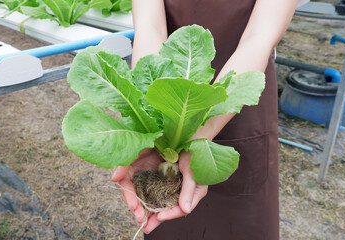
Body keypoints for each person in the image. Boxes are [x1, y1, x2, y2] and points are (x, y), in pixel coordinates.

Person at [112, 0, 298, 239]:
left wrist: (197, 134)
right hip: (172, 98)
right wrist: (156, 126)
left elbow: (260, 36)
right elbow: (149, 27)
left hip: (240, 94)